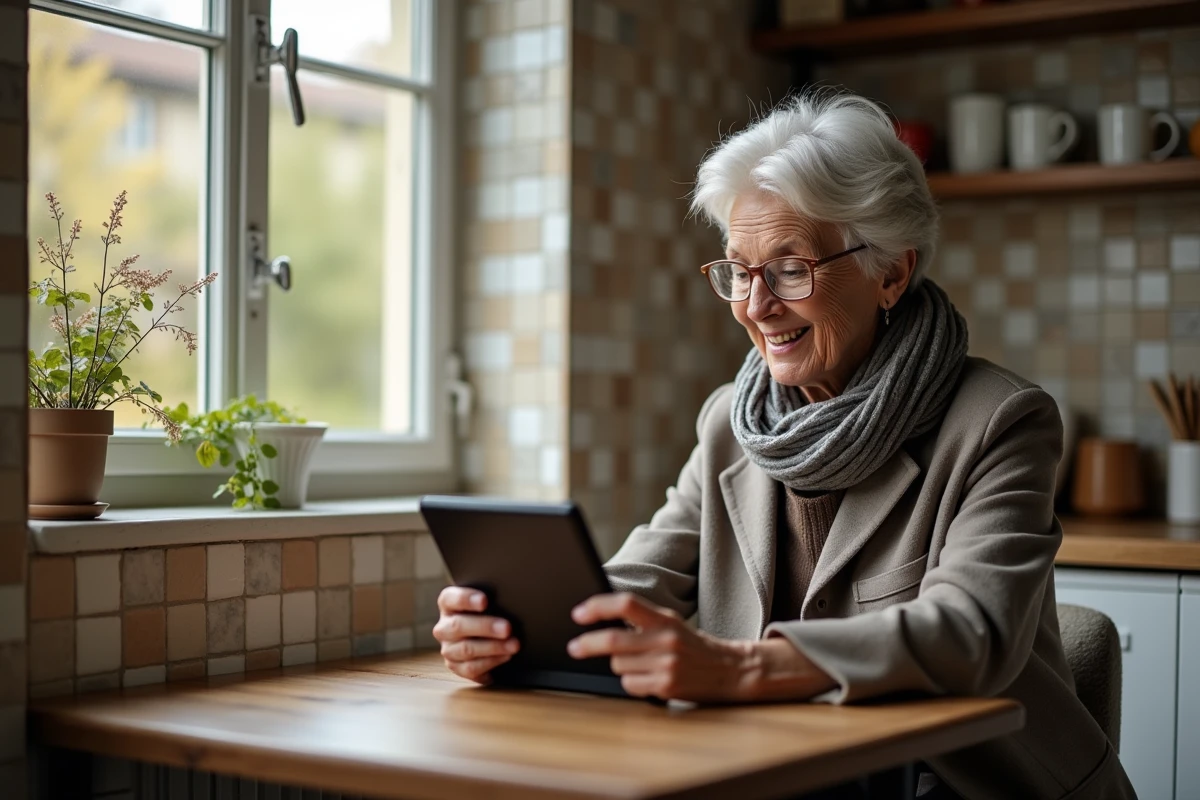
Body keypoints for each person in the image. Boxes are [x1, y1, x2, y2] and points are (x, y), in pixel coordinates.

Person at [433, 91, 1135, 799]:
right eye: (739, 269)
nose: (756, 305)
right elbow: (648, 574)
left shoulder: (1001, 421)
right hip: (793, 775)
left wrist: (737, 669)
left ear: (889, 272)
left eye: (792, 267)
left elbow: (969, 633)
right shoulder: (729, 425)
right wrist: (523, 627)